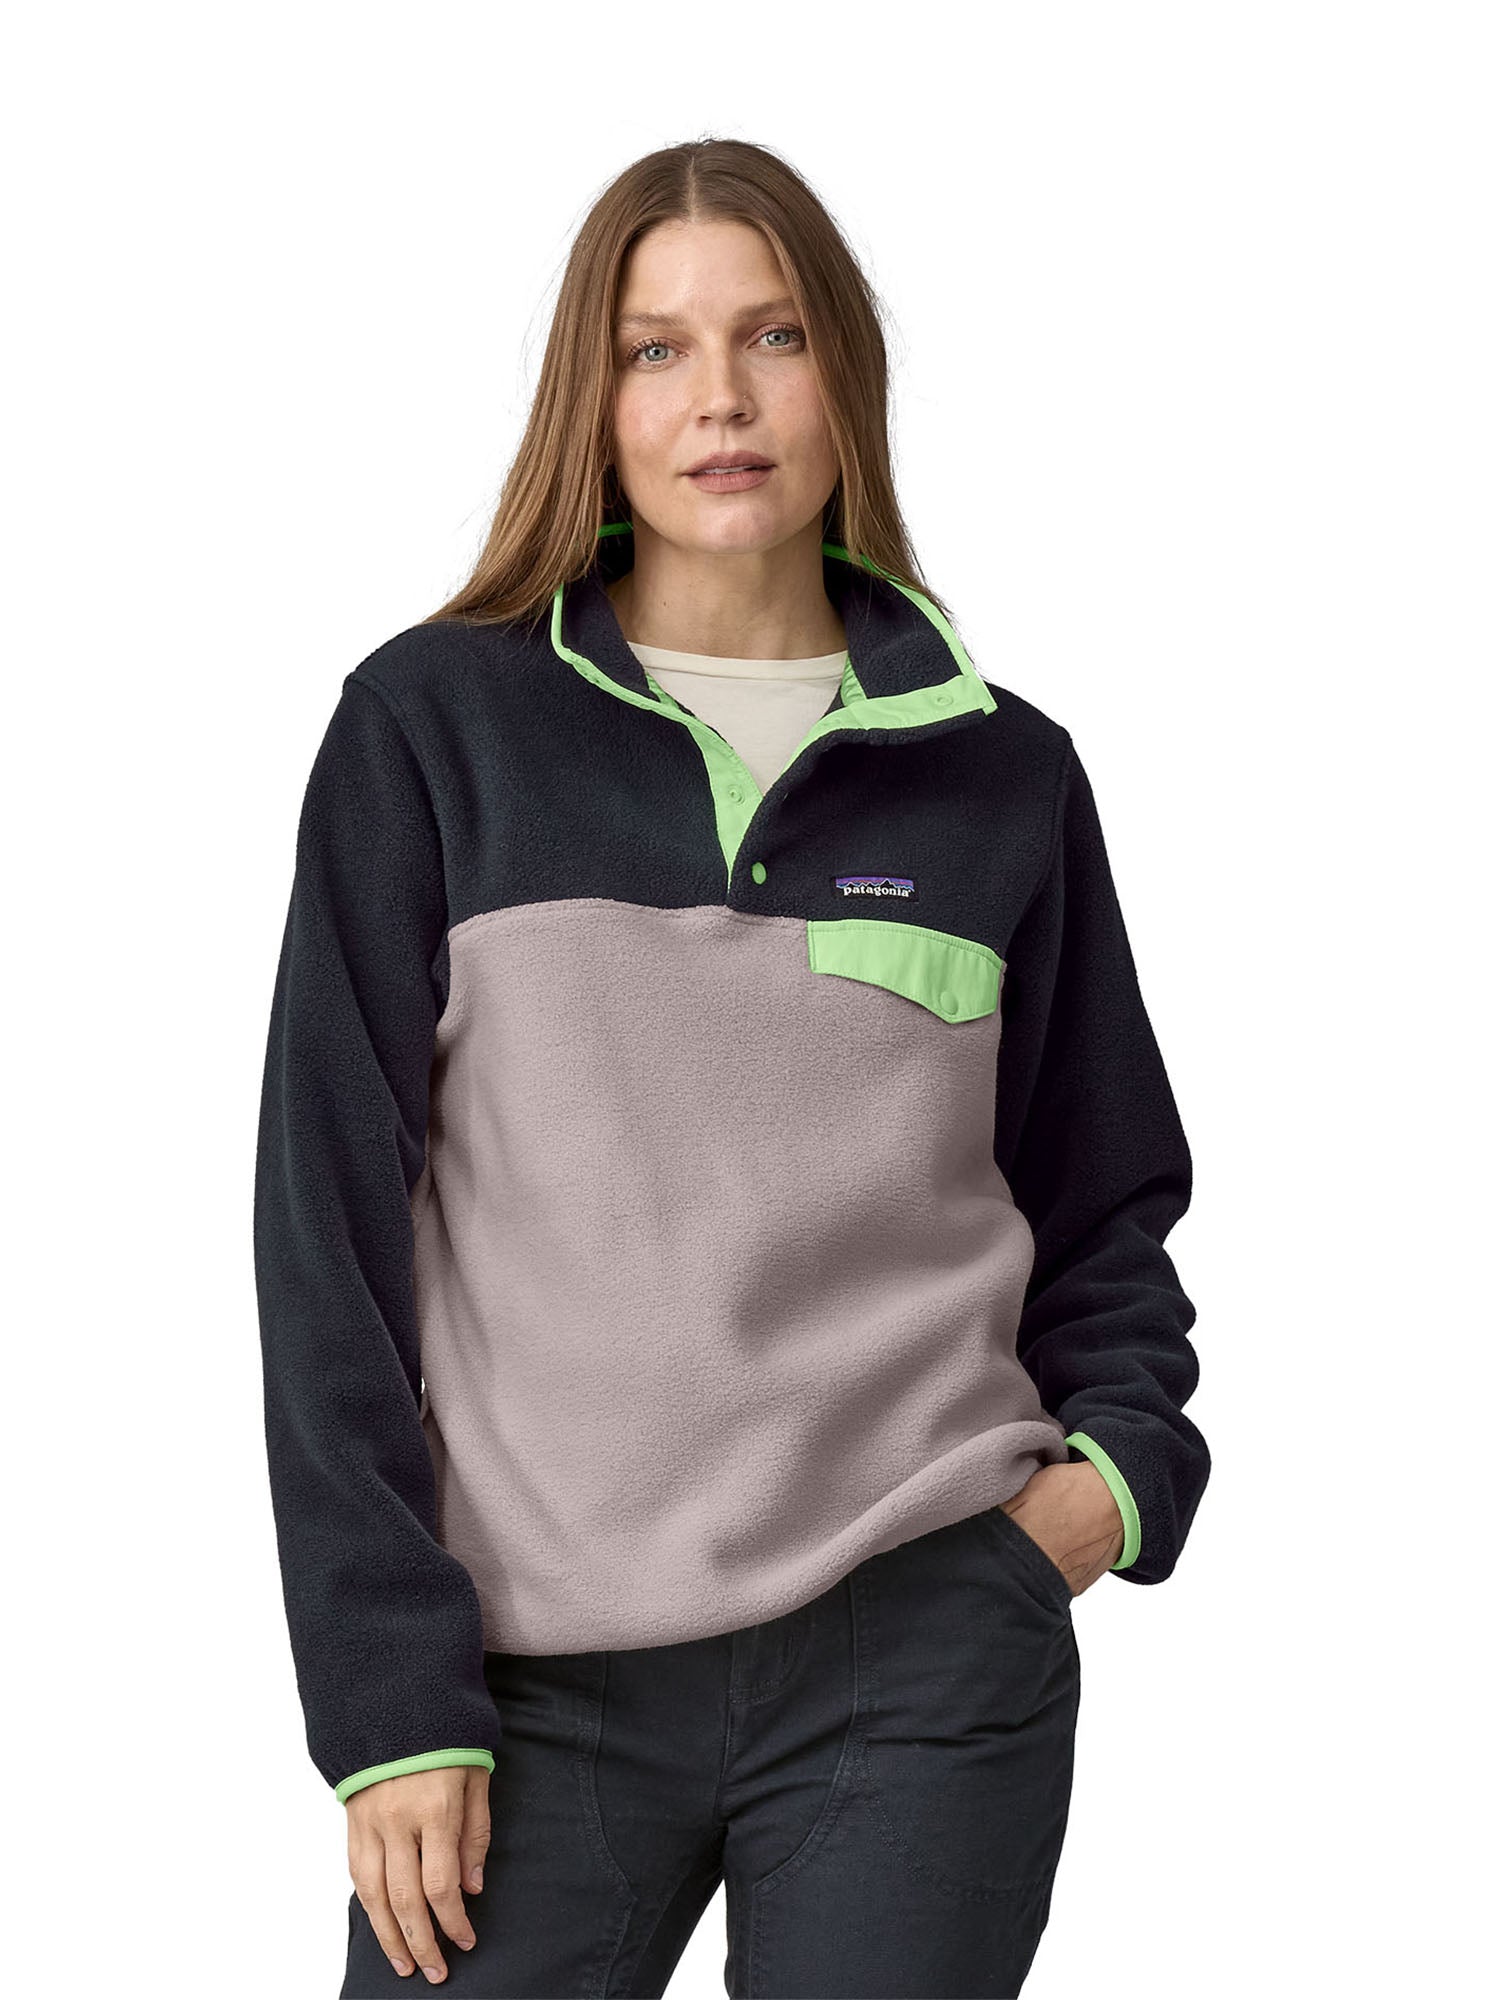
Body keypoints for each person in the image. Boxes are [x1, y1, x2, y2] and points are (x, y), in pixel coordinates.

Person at [252, 137, 1208, 2000]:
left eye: (773, 336)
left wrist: (1108, 1485)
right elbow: (326, 1240)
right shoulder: (432, 733)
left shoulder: (1002, 776)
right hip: (527, 1679)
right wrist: (387, 1697)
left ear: (845, 371)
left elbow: (1105, 1197)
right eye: (657, 348)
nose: (722, 399)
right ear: (591, 399)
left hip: (919, 1646)